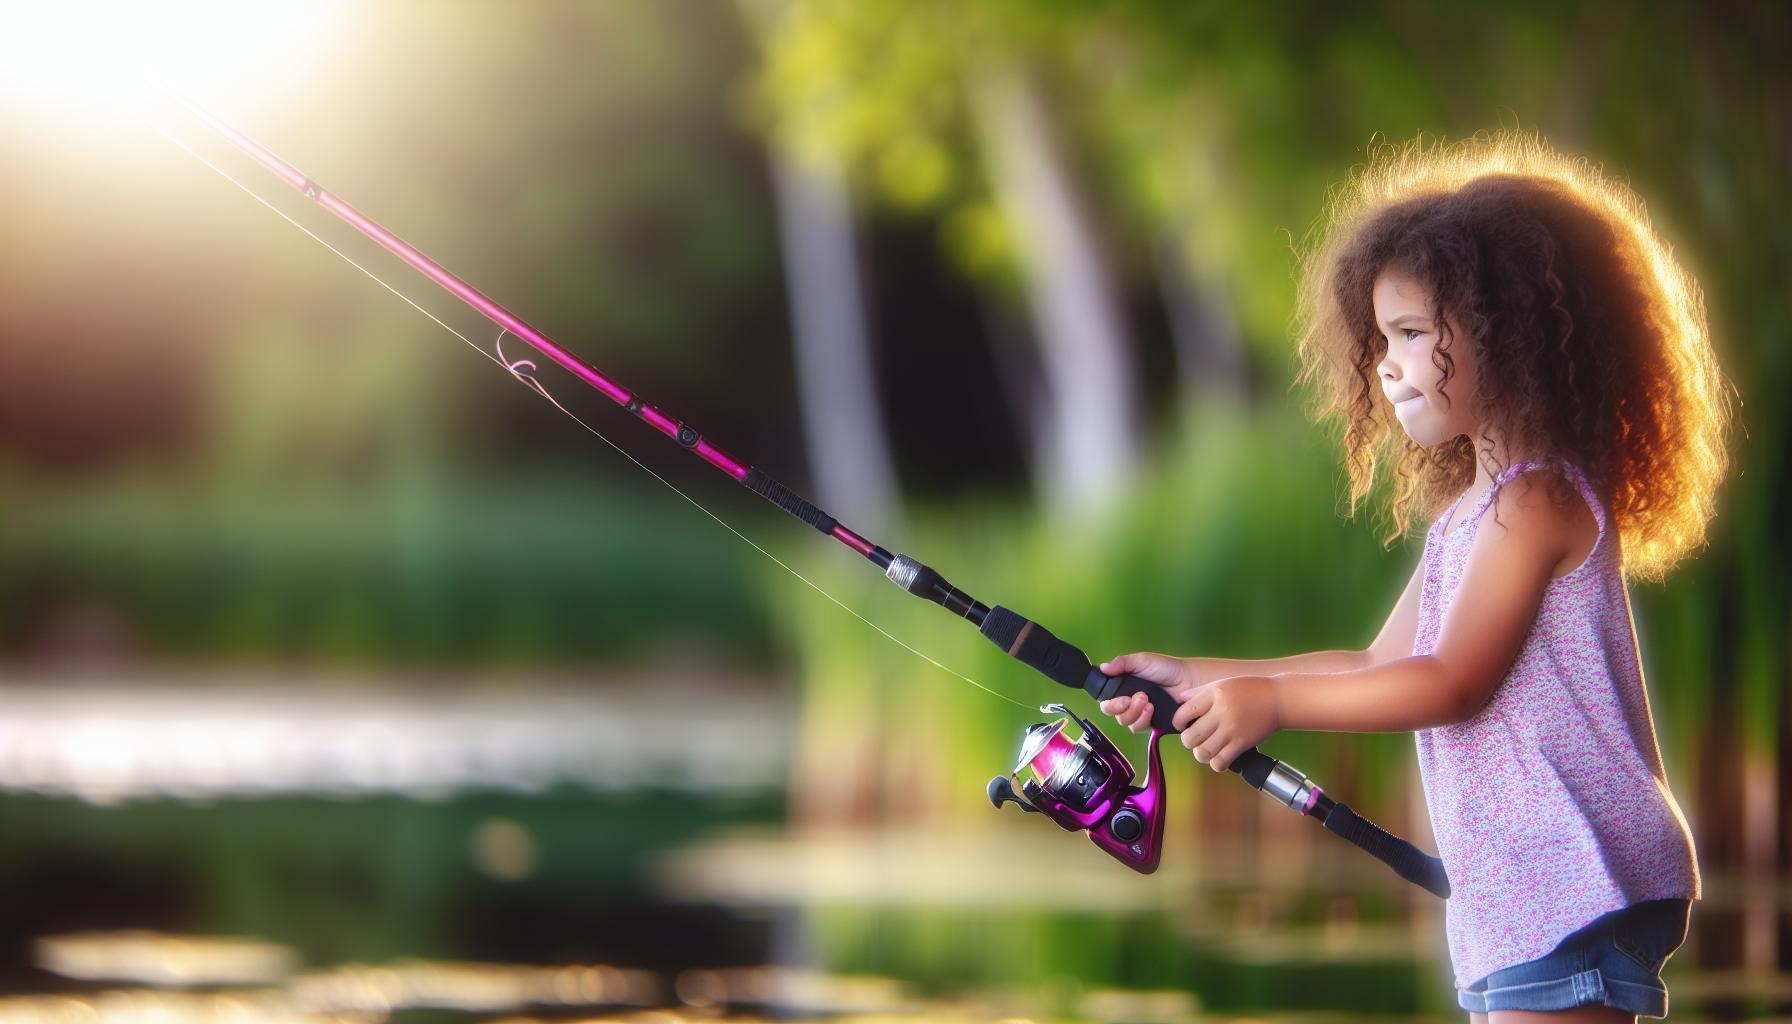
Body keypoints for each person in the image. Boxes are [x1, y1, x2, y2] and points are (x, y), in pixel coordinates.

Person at [1098, 132, 1728, 1024]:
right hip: (1521, 888)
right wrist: (1202, 680)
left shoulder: (1539, 499)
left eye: (1410, 334)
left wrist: (1270, 707)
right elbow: (1372, 664)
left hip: (1575, 873)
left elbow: (1451, 683)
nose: (1386, 364)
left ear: (1504, 337)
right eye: (1380, 338)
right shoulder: (1471, 515)